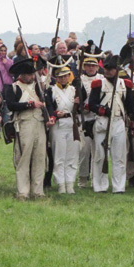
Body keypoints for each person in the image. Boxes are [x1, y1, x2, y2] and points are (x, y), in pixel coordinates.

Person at [4, 57, 54, 200]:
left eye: (33, 74)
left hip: (39, 123)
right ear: (22, 74)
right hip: (24, 123)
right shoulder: (13, 87)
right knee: (24, 158)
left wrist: (51, 117)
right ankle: (23, 191)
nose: (32, 77)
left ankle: (38, 191)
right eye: (29, 74)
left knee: (40, 157)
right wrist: (30, 104)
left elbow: (48, 104)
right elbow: (11, 105)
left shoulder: (39, 86)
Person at [88, 55, 134, 194]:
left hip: (118, 121)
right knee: (100, 156)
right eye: (106, 69)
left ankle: (118, 187)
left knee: (119, 156)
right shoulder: (98, 84)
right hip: (103, 121)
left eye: (111, 69)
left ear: (117, 70)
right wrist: (102, 110)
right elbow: (92, 104)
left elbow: (130, 106)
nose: (108, 71)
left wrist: (133, 120)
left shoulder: (125, 85)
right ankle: (100, 186)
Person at [45, 66, 80, 194]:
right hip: (58, 125)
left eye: (65, 76)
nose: (63, 79)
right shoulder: (51, 90)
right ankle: (60, 184)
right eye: (60, 76)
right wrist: (54, 113)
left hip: (72, 124)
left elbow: (81, 109)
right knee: (59, 156)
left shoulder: (74, 90)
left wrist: (78, 102)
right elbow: (49, 106)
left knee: (72, 156)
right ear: (57, 78)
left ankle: (70, 183)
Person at [76, 55, 100, 188]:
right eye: (88, 65)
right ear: (84, 66)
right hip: (83, 118)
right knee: (84, 151)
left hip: (97, 117)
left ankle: (96, 179)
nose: (91, 68)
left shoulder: (101, 80)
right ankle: (83, 178)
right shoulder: (79, 80)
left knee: (97, 151)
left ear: (97, 67)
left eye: (93, 65)